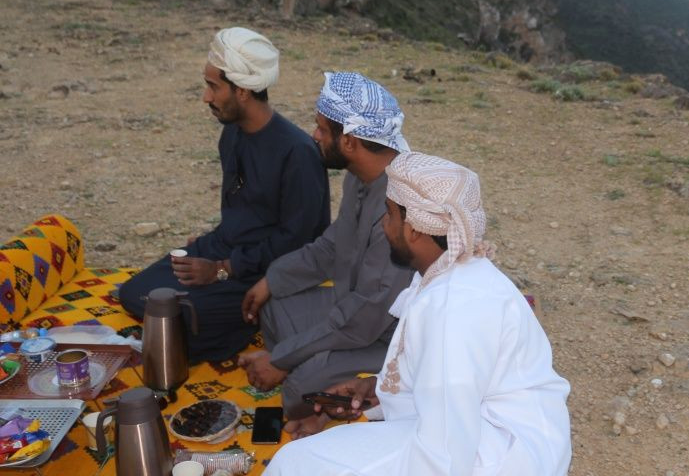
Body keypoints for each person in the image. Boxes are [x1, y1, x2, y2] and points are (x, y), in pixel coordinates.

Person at [263, 152, 572, 476]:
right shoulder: (449, 273)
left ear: (413, 230)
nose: (384, 223)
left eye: (390, 213)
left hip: (501, 454)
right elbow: (441, 386)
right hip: (473, 429)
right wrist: (377, 392)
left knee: (294, 464)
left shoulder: (452, 309)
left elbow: (446, 453)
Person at [118, 27, 330, 362]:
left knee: (183, 320)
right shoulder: (231, 135)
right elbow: (238, 212)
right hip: (225, 249)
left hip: (270, 269)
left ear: (243, 90)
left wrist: (222, 269)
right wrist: (208, 252)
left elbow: (298, 241)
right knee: (135, 294)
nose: (206, 97)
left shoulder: (297, 152)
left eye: (214, 86)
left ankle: (251, 317)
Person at [238, 72, 415, 427]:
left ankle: (327, 381)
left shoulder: (399, 207)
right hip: (351, 310)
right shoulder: (360, 174)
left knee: (299, 388)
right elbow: (333, 245)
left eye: (321, 129)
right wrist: (272, 280)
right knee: (274, 306)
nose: (315, 136)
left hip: (394, 339)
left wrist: (283, 359)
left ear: (349, 142)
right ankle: (308, 363)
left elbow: (364, 318)